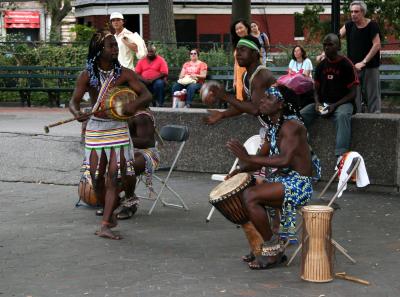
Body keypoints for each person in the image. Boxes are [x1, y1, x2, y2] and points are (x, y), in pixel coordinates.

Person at [69, 30, 152, 240]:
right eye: (111, 46)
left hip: (118, 128)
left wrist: (133, 104)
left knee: (115, 175)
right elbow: (74, 102)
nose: (115, 49)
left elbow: (147, 94)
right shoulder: (87, 75)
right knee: (97, 176)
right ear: (98, 50)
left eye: (115, 46)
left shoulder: (124, 74)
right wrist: (77, 113)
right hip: (96, 129)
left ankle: (105, 223)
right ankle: (111, 212)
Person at [226, 86, 314, 270]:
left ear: (281, 104)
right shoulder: (274, 127)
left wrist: (247, 157)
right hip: (281, 180)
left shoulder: (293, 126)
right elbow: (258, 162)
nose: (262, 101)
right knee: (242, 190)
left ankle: (272, 251)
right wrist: (239, 170)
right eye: (263, 97)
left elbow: (283, 159)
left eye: (268, 98)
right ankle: (259, 244)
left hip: (299, 184)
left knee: (251, 196)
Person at [300, 33, 359, 163]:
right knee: (299, 116)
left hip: (343, 103)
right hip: (324, 103)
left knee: (342, 116)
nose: (327, 47)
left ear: (338, 46)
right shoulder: (321, 66)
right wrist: (316, 103)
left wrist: (335, 105)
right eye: (325, 45)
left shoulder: (346, 64)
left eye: (330, 44)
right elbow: (315, 88)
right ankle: (302, 149)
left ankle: (341, 157)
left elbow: (353, 93)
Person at [116, 110, 160, 219]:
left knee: (128, 167)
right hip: (127, 150)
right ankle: (112, 201)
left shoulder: (142, 117)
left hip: (147, 153)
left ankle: (130, 201)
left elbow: (146, 141)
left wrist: (119, 138)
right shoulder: (118, 113)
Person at [340, 1, 381, 113]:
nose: (353, 14)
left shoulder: (372, 25)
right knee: (355, 97)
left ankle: (377, 123)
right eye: (352, 11)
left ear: (363, 12)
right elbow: (335, 39)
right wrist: (324, 53)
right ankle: (357, 121)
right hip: (353, 68)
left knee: (373, 97)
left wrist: (364, 62)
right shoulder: (349, 25)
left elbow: (377, 45)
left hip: (370, 66)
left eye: (356, 11)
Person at [231, 19, 251, 101]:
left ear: (246, 28)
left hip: (249, 74)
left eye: (240, 28)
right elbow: (236, 63)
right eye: (236, 29)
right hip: (239, 75)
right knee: (240, 100)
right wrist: (235, 79)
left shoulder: (252, 40)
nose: (239, 30)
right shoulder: (238, 42)